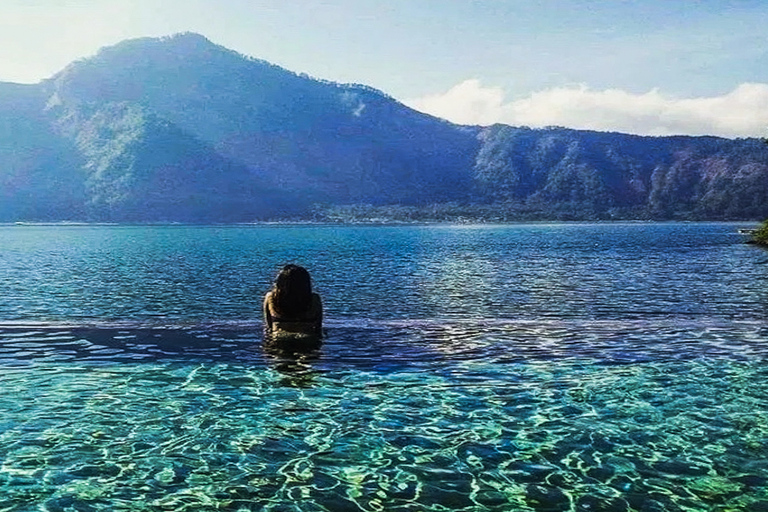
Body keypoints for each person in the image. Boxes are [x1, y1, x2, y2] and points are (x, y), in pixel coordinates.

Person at [263, 264, 323, 343]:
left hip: (279, 339)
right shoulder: (314, 299)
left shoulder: (271, 298)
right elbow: (318, 327)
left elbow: (269, 326)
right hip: (307, 339)